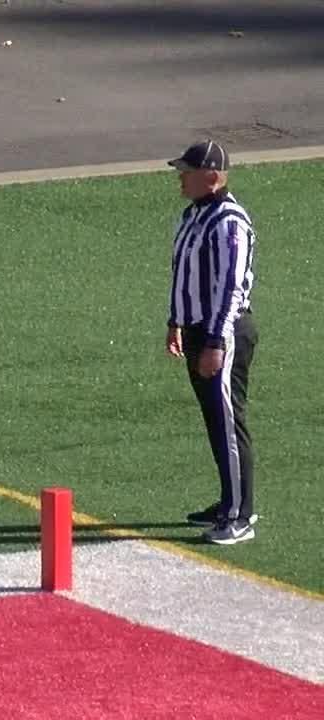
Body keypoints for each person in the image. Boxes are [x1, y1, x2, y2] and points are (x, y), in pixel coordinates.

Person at [166, 140, 259, 545]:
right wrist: (176, 323)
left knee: (228, 421)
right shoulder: (192, 216)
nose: (180, 178)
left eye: (187, 172)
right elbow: (182, 276)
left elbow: (231, 289)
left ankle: (240, 515)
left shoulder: (229, 223)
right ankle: (229, 500)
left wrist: (216, 342)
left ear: (212, 176)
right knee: (215, 421)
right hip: (199, 330)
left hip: (224, 331)